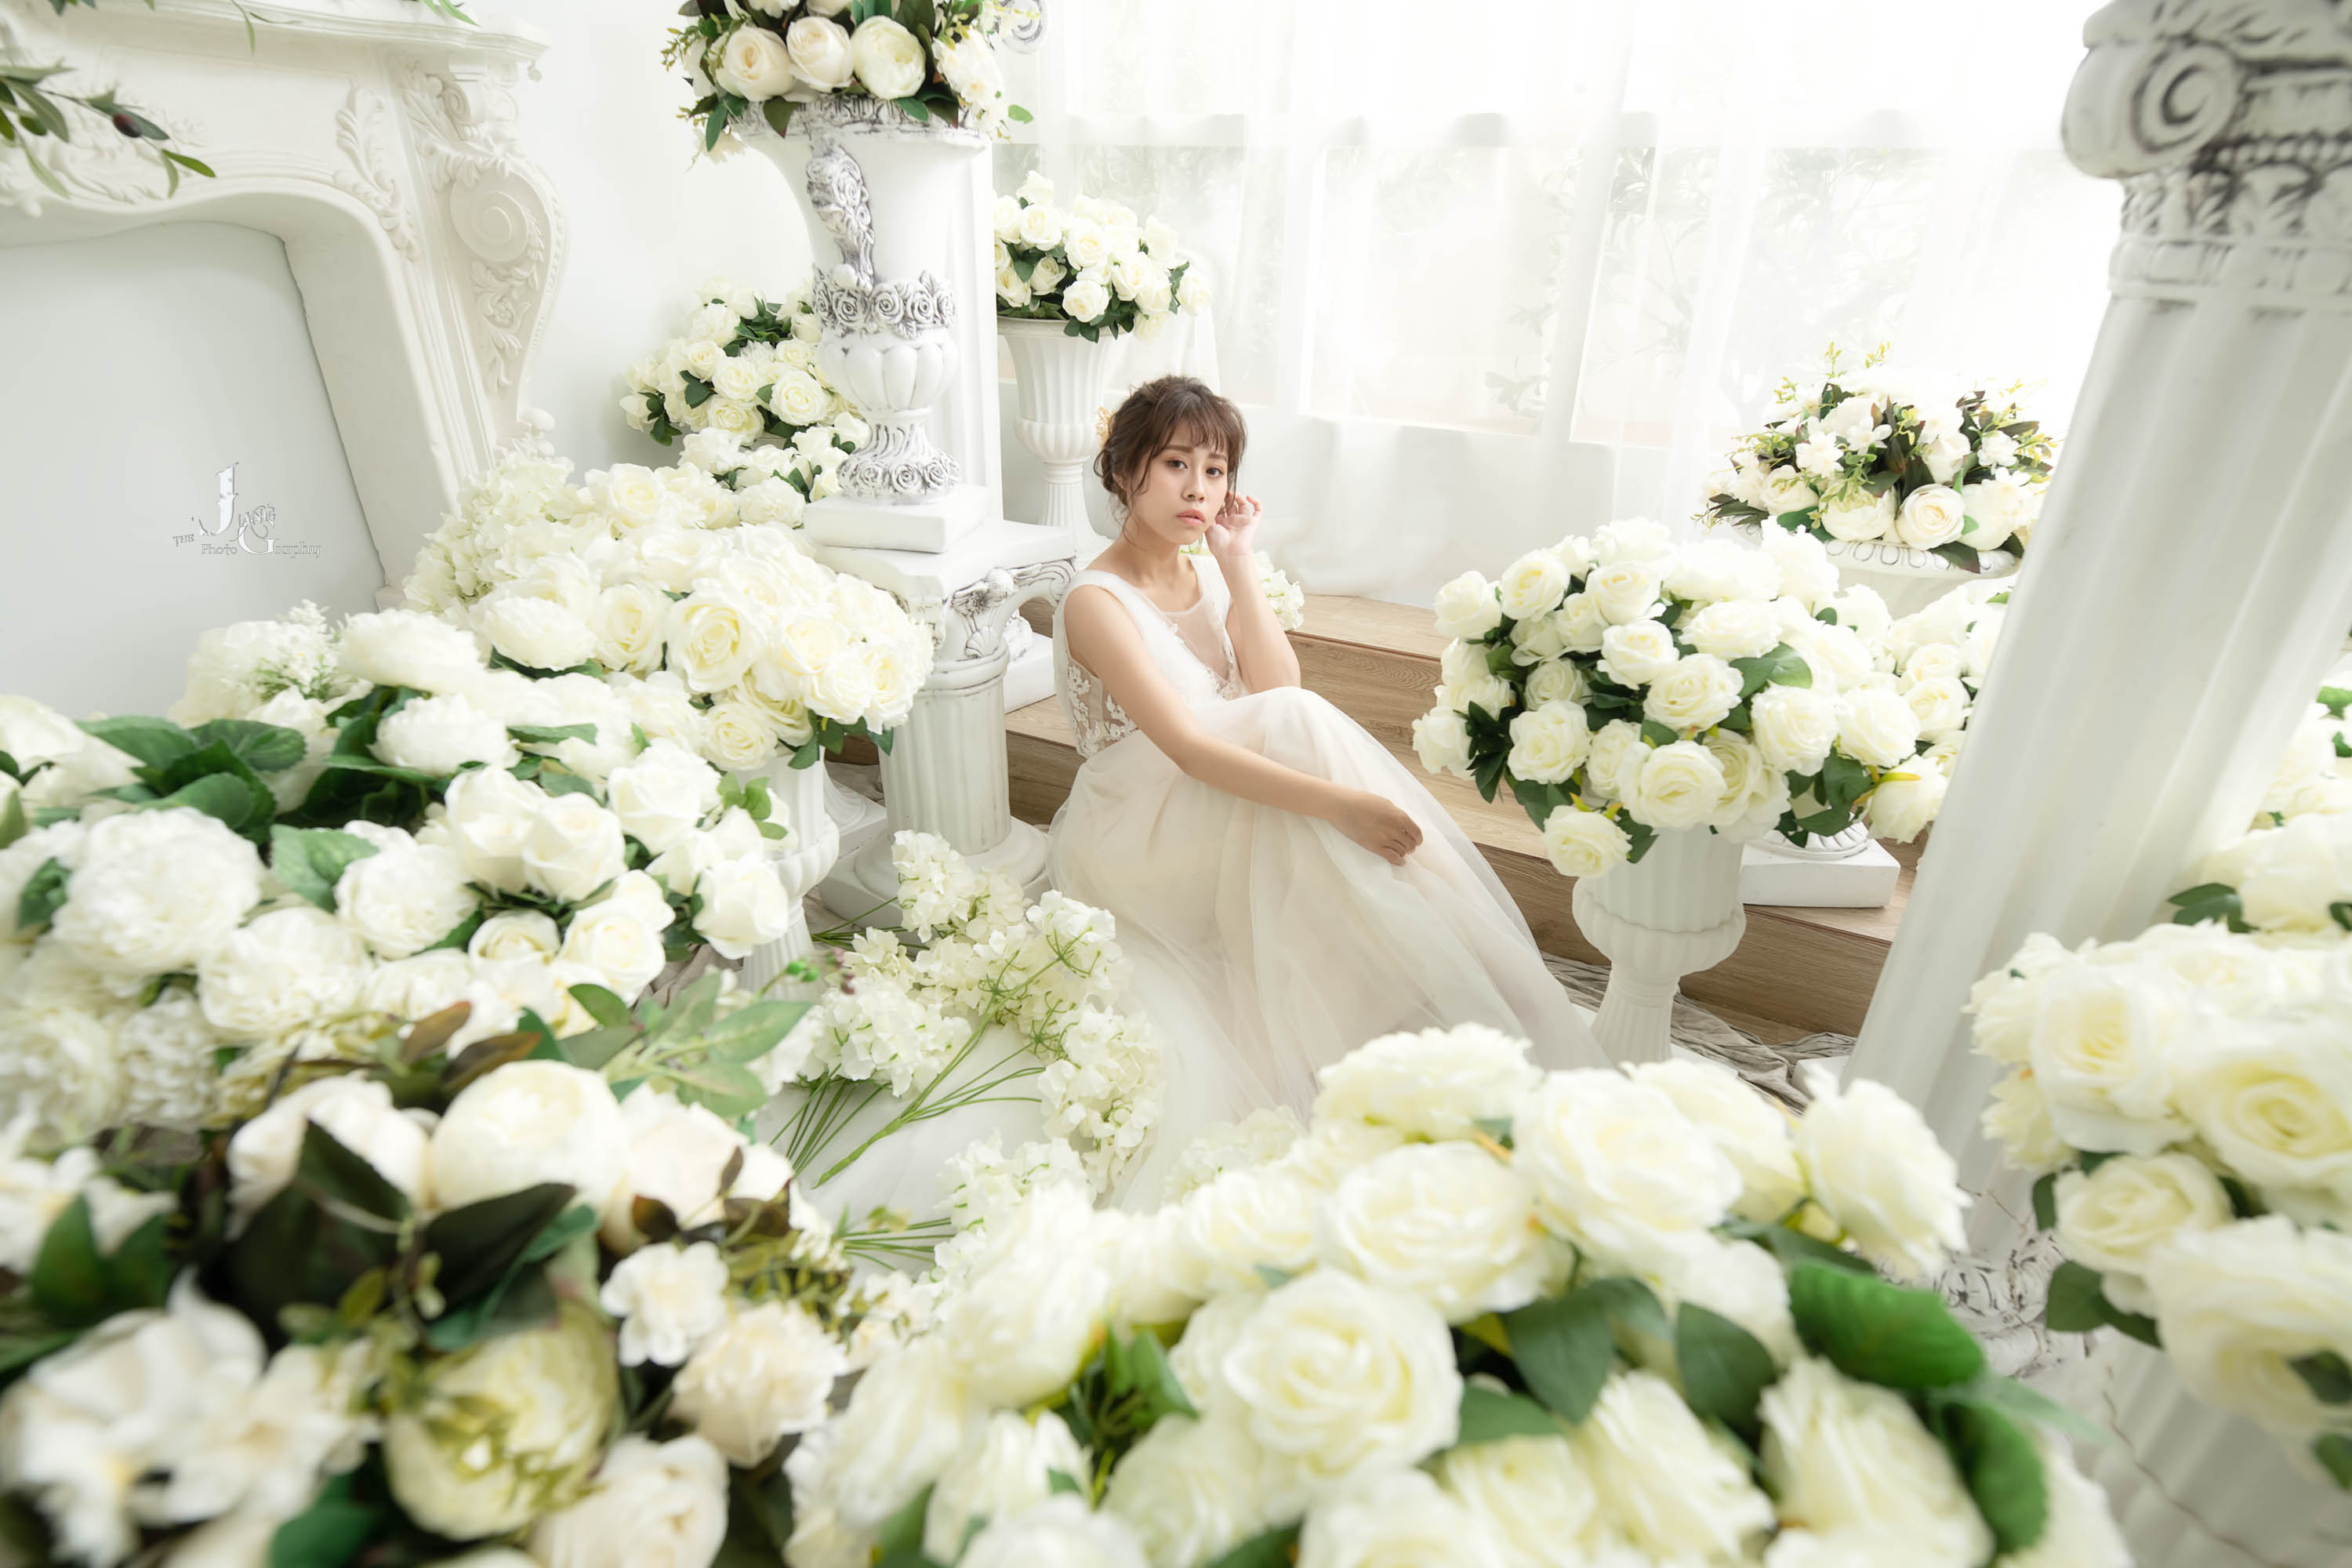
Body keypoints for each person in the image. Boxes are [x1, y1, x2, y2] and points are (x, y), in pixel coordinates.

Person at [1049, 376, 1606, 1203]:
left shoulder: (1206, 573)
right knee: (1310, 774)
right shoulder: (1097, 601)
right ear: (1125, 470)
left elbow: (1278, 685)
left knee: (1298, 738)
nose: (1199, 489)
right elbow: (1193, 747)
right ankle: (1441, 999)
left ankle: (1455, 999)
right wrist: (1342, 805)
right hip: (1137, 831)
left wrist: (1238, 564)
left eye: (1215, 470)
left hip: (1207, 797)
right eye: (1175, 465)